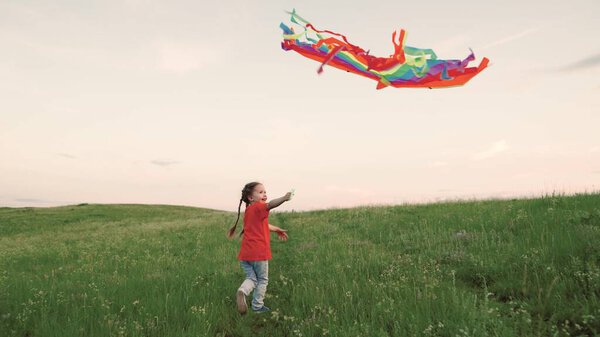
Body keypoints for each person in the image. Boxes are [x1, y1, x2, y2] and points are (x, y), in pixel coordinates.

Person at [227, 182, 292, 315]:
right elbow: (271, 205)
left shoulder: (250, 211)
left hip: (245, 254)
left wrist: (277, 229)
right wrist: (284, 198)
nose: (265, 194)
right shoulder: (259, 207)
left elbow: (264, 225)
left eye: (265, 192)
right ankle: (257, 306)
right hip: (259, 253)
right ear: (251, 197)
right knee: (262, 280)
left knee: (252, 278)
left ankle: (243, 291)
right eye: (261, 192)